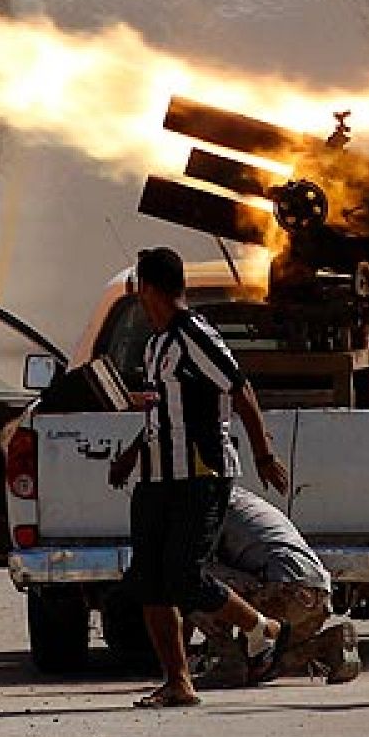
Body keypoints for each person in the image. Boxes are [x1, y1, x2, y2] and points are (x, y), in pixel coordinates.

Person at [108, 246, 293, 708]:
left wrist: (264, 454)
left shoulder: (194, 335)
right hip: (156, 477)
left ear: (149, 289)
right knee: (149, 579)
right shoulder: (155, 345)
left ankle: (263, 629)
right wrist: (131, 455)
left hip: (200, 473)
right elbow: (162, 414)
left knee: (183, 577)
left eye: (139, 290)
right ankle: (178, 682)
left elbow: (240, 389)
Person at [189, 485, 361, 686]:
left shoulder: (206, 504)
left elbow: (199, 576)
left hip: (282, 592)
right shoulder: (243, 500)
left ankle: (228, 660)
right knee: (259, 669)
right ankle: (326, 643)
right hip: (317, 594)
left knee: (187, 575)